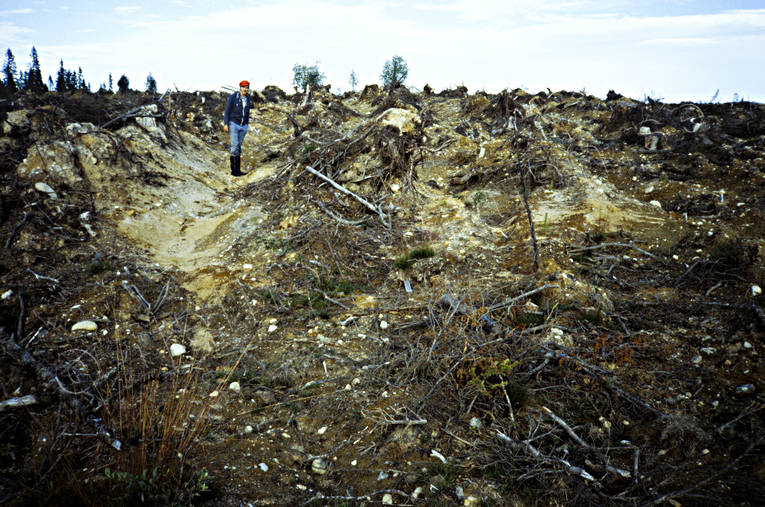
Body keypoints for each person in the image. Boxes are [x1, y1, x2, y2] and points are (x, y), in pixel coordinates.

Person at [223, 80, 252, 177]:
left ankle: (238, 170)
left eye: (247, 87)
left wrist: (246, 124)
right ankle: (234, 171)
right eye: (243, 87)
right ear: (240, 87)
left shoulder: (247, 98)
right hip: (234, 124)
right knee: (234, 146)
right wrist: (226, 124)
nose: (245, 89)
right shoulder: (233, 97)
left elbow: (247, 112)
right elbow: (227, 111)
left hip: (243, 125)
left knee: (238, 146)